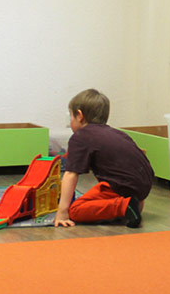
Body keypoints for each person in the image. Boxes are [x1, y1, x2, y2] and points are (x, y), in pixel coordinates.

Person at [54, 88, 154, 228]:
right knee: (100, 192)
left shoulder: (81, 136)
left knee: (75, 210)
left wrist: (62, 212)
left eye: (71, 116)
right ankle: (131, 205)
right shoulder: (117, 133)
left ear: (80, 115)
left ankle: (123, 205)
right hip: (143, 186)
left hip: (120, 186)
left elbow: (71, 174)